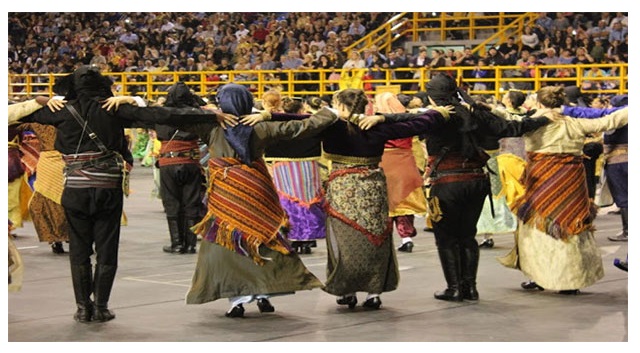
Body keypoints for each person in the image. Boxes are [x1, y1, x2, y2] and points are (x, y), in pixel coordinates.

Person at [13, 65, 230, 323]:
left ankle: (83, 308)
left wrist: (37, 100)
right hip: (108, 189)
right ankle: (102, 306)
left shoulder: (59, 111)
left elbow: (11, 114)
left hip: (74, 189)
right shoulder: (113, 108)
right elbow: (163, 114)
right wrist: (209, 115)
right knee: (107, 248)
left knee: (80, 250)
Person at [185, 84, 338, 318]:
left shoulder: (211, 126)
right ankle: (264, 295)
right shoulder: (261, 127)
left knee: (228, 242)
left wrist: (136, 102)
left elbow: (178, 111)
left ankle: (237, 300)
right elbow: (302, 126)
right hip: (258, 190)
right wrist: (331, 112)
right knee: (264, 236)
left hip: (228, 193)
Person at [415, 74, 550, 302]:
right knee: (468, 235)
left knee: (447, 237)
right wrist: (543, 119)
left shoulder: (435, 117)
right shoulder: (476, 113)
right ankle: (470, 287)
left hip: (446, 183)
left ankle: (454, 287)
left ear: (432, 96)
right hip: (477, 181)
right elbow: (513, 127)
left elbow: (405, 127)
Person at [318, 88, 453, 310]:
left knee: (343, 241)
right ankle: (374, 293)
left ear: (340, 105)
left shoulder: (330, 126)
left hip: (342, 190)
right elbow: (417, 123)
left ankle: (347, 290)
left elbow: (296, 122)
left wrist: (266, 115)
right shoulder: (377, 126)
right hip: (374, 188)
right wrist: (437, 112)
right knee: (376, 238)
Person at [501, 86, 628, 295]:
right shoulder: (574, 122)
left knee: (538, 227)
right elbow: (610, 120)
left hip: (541, 179)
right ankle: (572, 279)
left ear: (540, 102)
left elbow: (503, 119)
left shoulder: (532, 122)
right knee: (571, 226)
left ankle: (539, 277)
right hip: (571, 182)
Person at [263, 96, 326, 254]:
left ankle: (292, 236)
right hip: (307, 165)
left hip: (283, 167)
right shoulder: (310, 123)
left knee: (288, 202)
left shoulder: (277, 124)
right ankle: (308, 238)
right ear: (301, 110)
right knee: (308, 200)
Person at [156, 82, 207, 254]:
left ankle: (177, 243)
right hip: (190, 161)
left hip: (168, 163)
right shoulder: (196, 114)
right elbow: (205, 105)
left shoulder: (161, 114)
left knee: (171, 201)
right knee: (191, 201)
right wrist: (193, 99)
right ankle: (191, 244)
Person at [375, 92, 427, 253]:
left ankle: (385, 239)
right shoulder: (409, 120)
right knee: (404, 201)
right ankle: (406, 237)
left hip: (385, 162)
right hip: (406, 161)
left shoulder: (379, 123)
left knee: (386, 201)